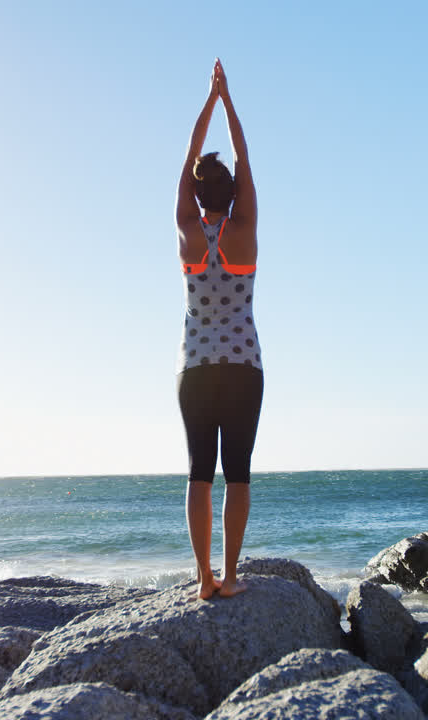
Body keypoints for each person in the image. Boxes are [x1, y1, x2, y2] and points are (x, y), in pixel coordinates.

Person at [174, 59, 262, 600]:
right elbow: (245, 159)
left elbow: (187, 162)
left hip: (195, 368)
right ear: (232, 194)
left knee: (198, 473)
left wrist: (208, 101)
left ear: (196, 193)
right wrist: (230, 102)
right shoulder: (245, 230)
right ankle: (230, 576)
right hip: (244, 366)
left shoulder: (187, 232)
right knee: (240, 473)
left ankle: (202, 578)